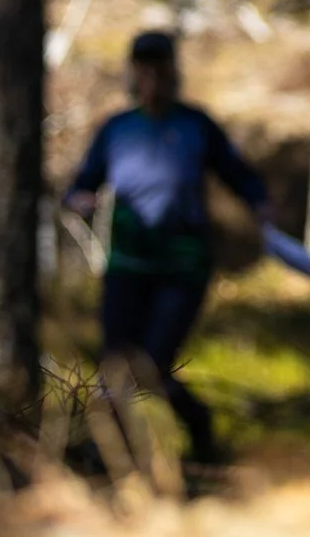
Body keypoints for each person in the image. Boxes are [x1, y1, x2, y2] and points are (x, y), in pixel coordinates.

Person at [63, 30, 273, 464]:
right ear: (133, 72)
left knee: (153, 364)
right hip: (126, 264)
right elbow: (82, 184)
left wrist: (261, 206)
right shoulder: (117, 130)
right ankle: (108, 451)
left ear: (173, 70)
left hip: (183, 266)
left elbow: (239, 174)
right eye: (143, 66)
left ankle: (197, 427)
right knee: (117, 364)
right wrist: (79, 201)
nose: (152, 75)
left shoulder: (195, 125)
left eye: (160, 66)